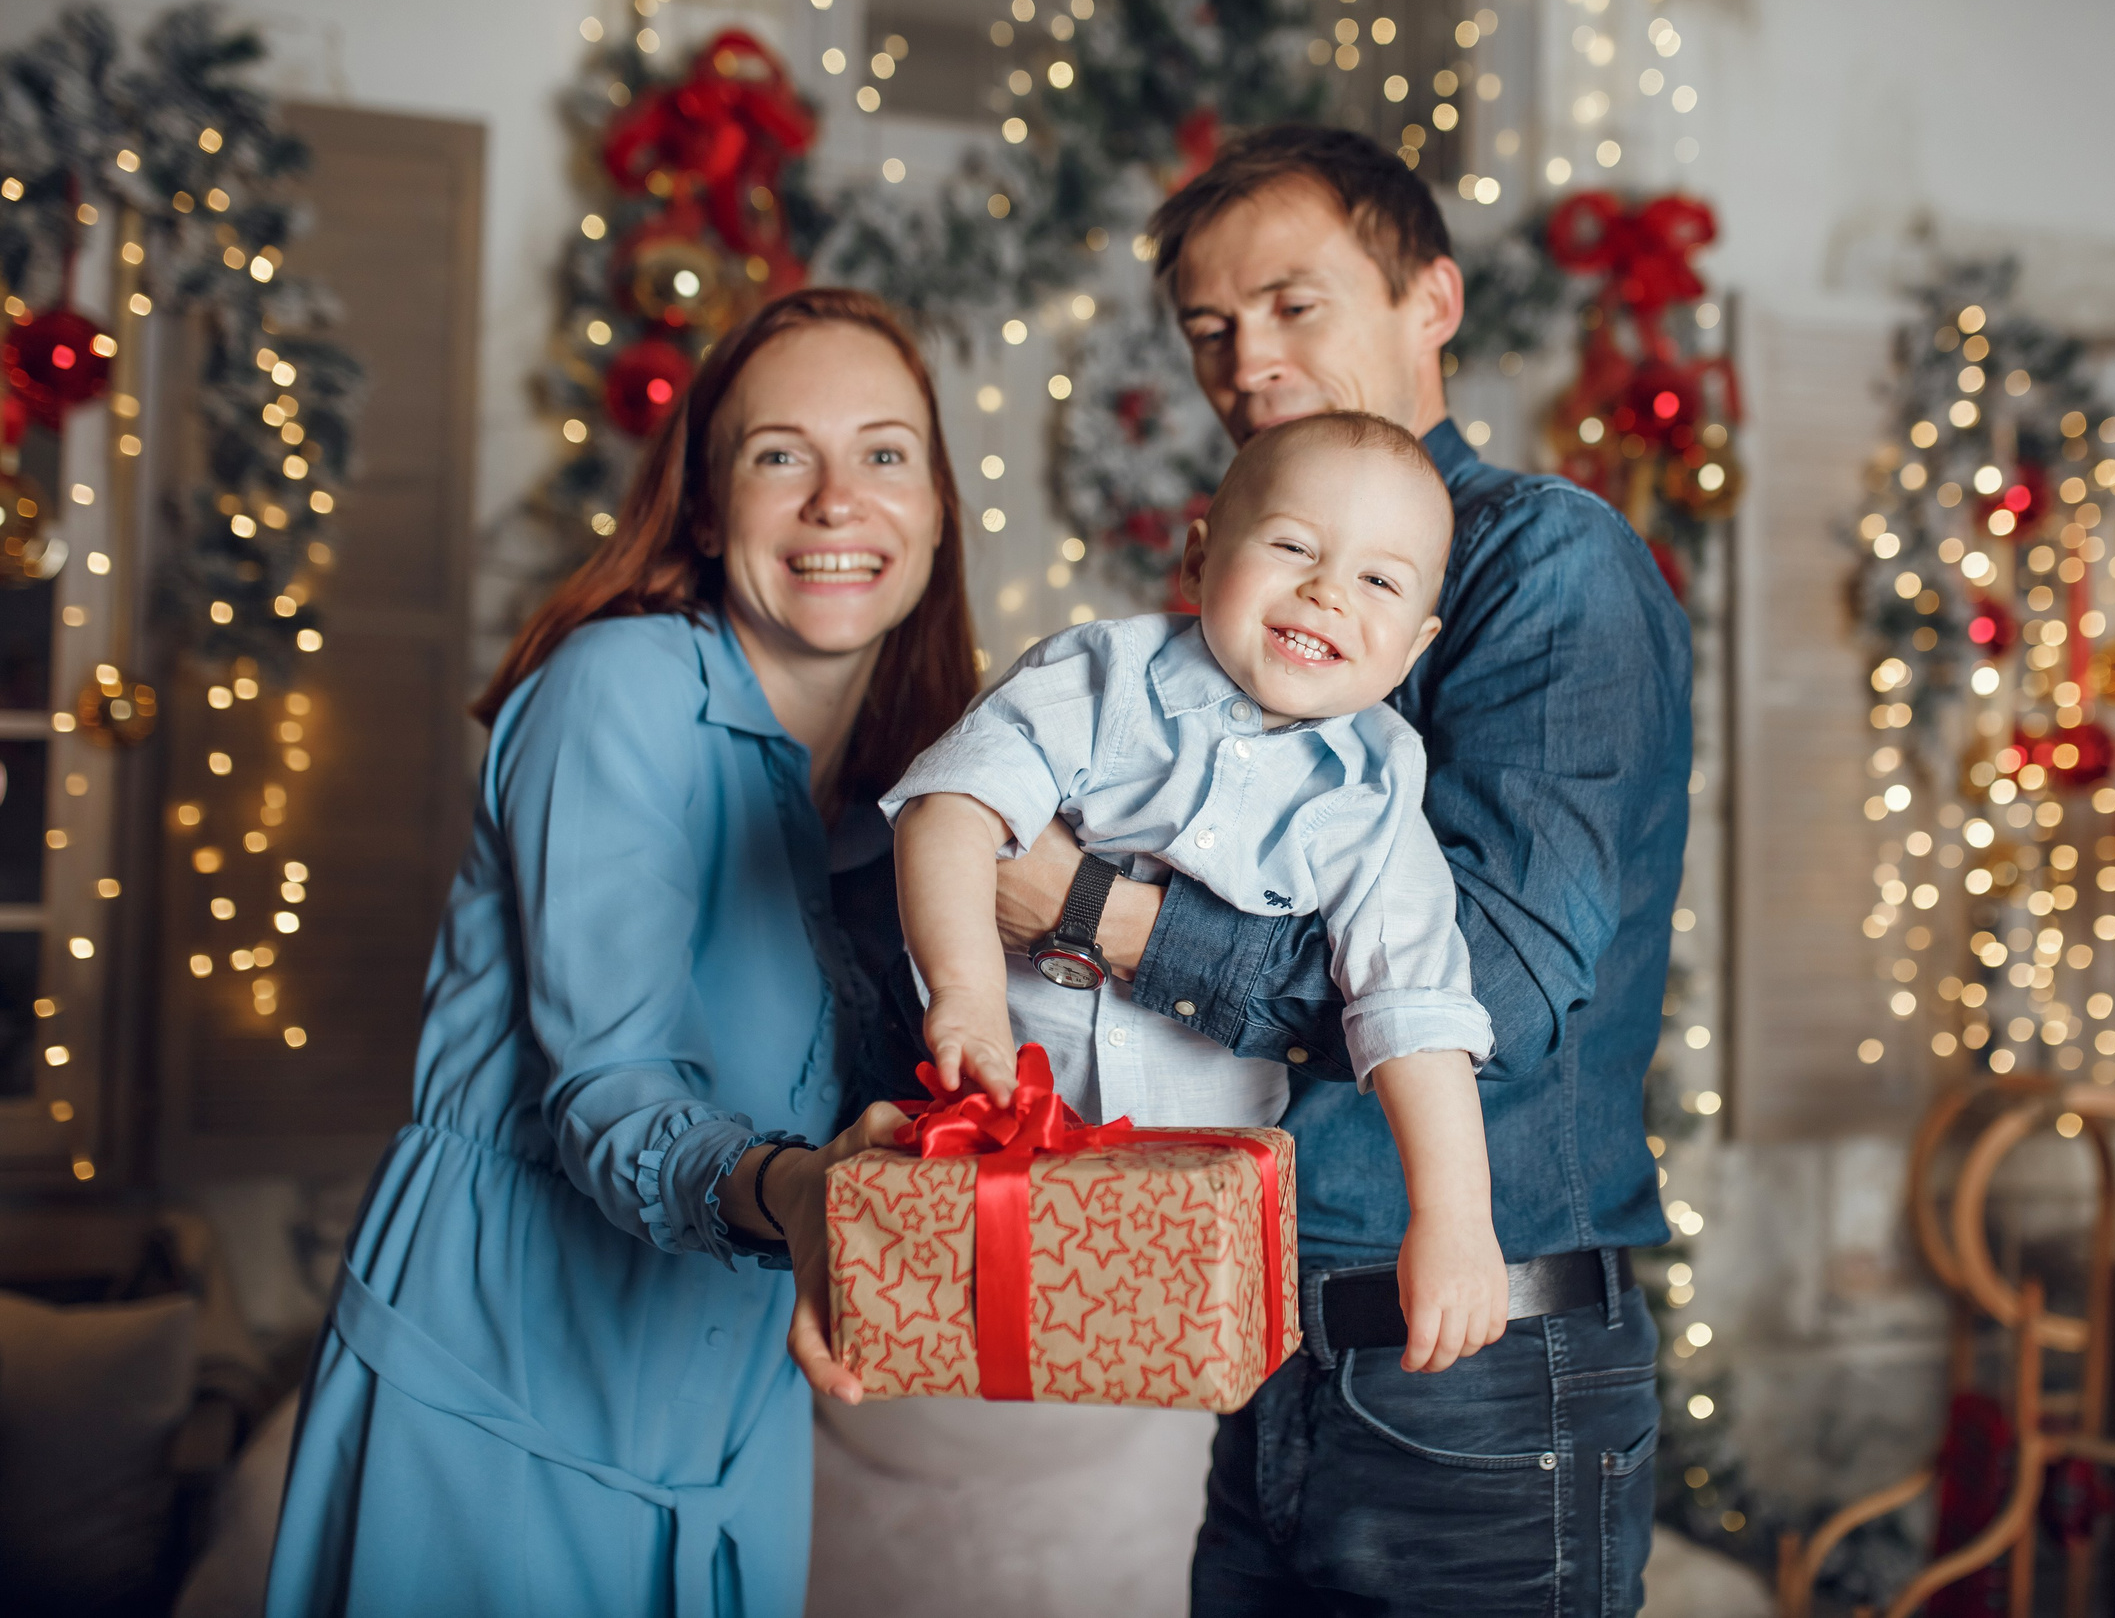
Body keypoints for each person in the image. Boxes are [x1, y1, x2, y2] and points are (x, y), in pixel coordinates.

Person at [990, 125, 1694, 1614]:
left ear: (1431, 299)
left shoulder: (1541, 567)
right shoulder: (1237, 626)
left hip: (1484, 1373)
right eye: (1208, 327)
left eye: (1293, 304)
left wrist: (1085, 908)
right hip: (1267, 1346)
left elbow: (1485, 984)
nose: (1245, 359)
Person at [263, 287, 970, 1618]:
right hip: (491, 1402)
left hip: (727, 1445)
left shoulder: (924, 804)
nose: (838, 500)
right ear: (707, 508)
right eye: (780, 454)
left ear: (935, 506)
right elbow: (615, 1094)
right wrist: (800, 1189)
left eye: (886, 453)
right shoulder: (619, 689)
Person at [885, 410, 1508, 1374]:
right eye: (1294, 545)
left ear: (1416, 643)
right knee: (966, 1383)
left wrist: (1457, 1219)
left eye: (1377, 580)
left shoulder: (1375, 790)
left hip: (1187, 1214)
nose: (1327, 591)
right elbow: (950, 809)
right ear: (1198, 560)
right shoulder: (1097, 679)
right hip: (996, 1135)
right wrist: (966, 996)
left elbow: (1415, 1003)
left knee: (1150, 1429)